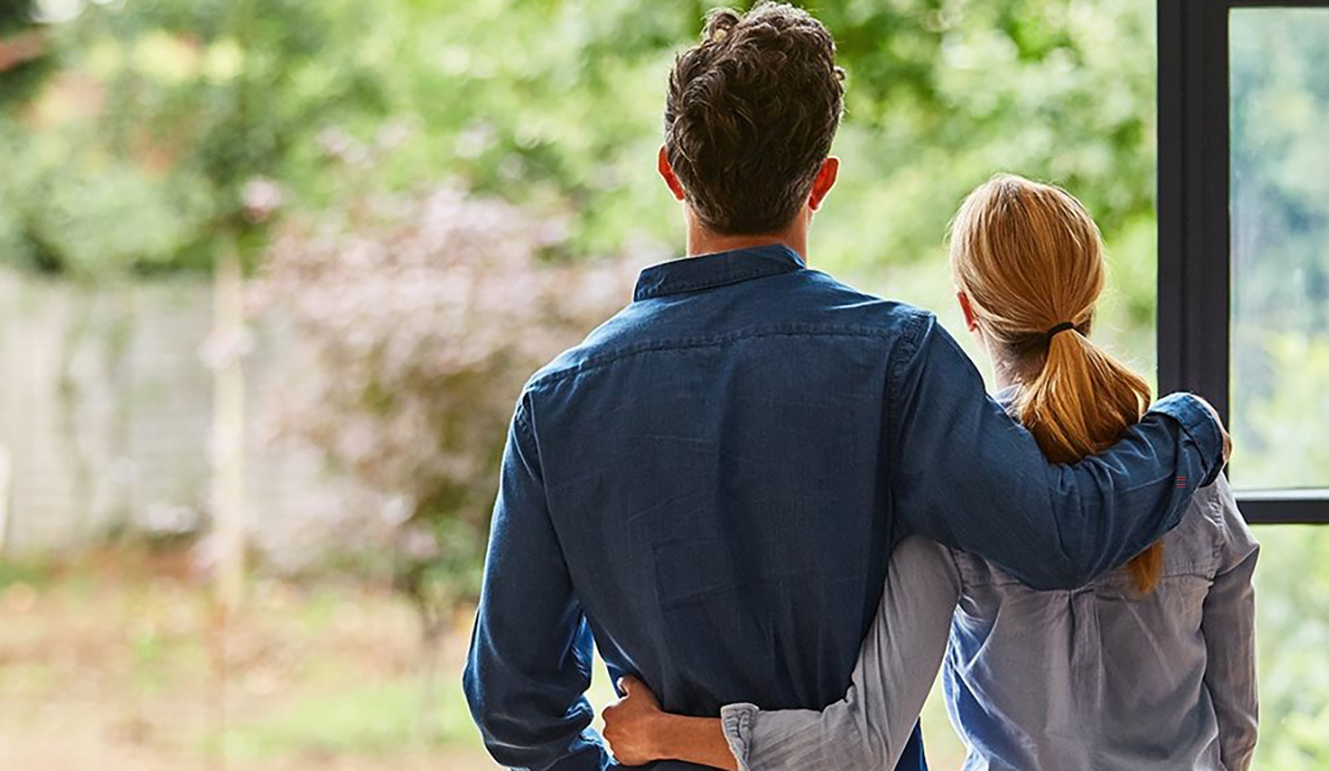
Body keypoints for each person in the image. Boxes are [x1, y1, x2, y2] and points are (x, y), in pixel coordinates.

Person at [461, 5, 1230, 771]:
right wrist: (1188, 426)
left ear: (671, 171)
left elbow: (512, 702)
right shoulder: (899, 360)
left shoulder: (556, 405)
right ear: (822, 179)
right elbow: (1061, 535)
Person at [598, 176, 1259, 771]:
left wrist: (661, 735)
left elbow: (858, 746)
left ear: (968, 310)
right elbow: (1236, 734)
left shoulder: (952, 494)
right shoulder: (1191, 473)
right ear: (1092, 295)